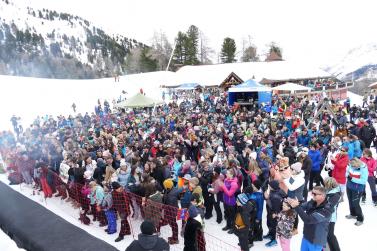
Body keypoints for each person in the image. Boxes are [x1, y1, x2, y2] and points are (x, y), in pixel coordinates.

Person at [287, 186, 332, 251]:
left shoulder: (326, 210)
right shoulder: (312, 202)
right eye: (312, 193)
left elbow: (308, 220)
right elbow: (302, 207)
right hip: (306, 236)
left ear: (323, 196)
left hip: (316, 241)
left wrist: (296, 206)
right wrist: (293, 203)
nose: (312, 195)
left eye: (315, 194)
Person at [345, 158, 368, 226]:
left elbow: (363, 181)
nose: (352, 167)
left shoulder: (363, 169)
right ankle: (353, 214)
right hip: (349, 186)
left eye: (354, 166)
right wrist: (347, 175)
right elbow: (347, 171)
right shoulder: (351, 165)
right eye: (352, 166)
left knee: (355, 203)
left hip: (357, 188)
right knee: (350, 201)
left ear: (358, 164)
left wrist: (352, 179)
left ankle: (360, 218)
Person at [324, 177, 341, 251]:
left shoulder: (335, 195)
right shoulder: (329, 192)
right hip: (326, 217)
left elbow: (329, 206)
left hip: (331, 218)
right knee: (327, 234)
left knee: (330, 235)